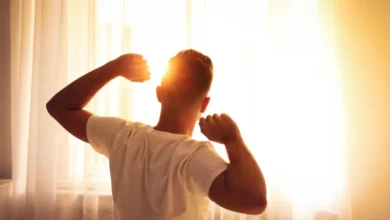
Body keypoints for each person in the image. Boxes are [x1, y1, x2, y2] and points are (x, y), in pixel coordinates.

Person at [46, 49, 267, 219]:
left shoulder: (123, 136)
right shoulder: (195, 157)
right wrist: (233, 139)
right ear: (205, 104)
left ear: (159, 93)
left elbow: (59, 107)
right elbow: (255, 201)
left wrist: (113, 68)